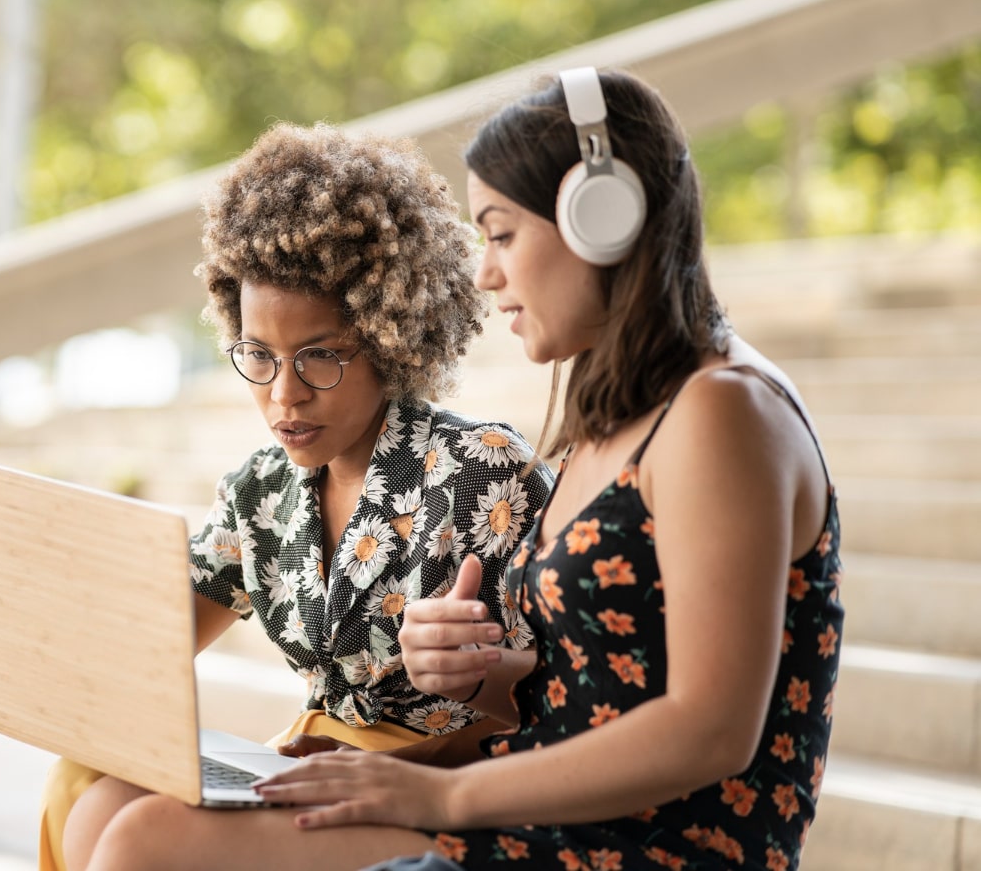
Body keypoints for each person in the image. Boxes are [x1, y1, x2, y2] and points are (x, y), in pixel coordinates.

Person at [76, 68, 843, 871]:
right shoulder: (619, 416)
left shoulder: (721, 412)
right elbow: (584, 695)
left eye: (502, 232)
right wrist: (478, 673)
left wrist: (439, 794)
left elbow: (711, 730)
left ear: (602, 219)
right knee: (114, 812)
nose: (485, 272)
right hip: (549, 813)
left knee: (148, 845)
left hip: (639, 847)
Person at [44, 122, 555, 871]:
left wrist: (483, 668)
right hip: (315, 765)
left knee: (135, 840)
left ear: (390, 336)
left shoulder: (482, 473)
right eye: (259, 356)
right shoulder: (262, 492)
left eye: (319, 356)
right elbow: (146, 652)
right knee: (87, 787)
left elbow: (567, 696)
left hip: (444, 785)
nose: (284, 396)